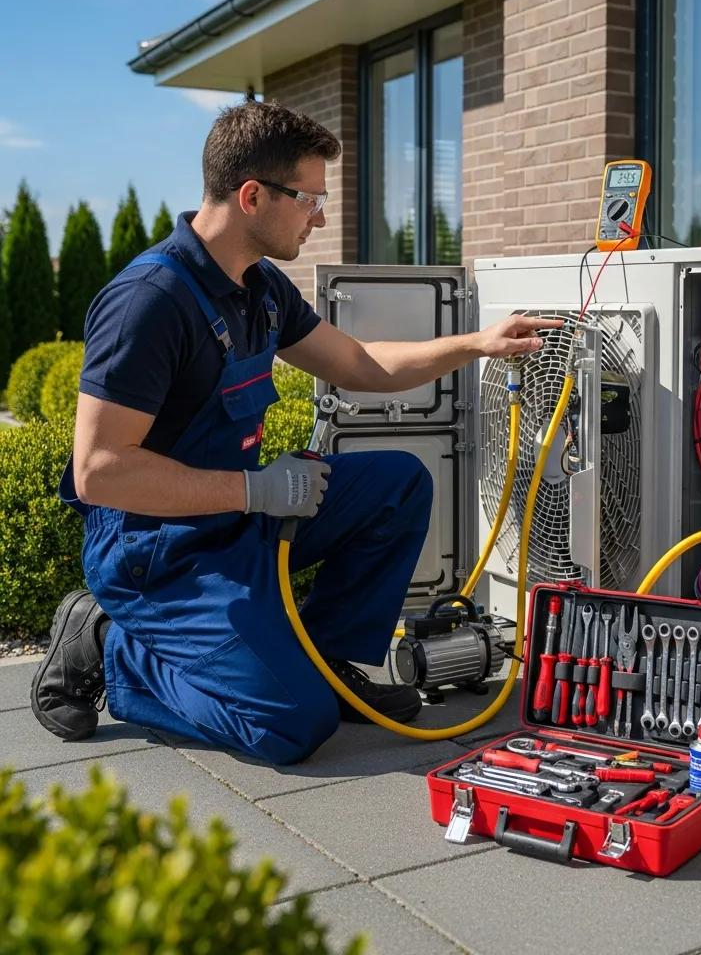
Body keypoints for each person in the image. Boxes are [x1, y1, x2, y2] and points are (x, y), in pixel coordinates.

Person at [30, 100, 558, 765]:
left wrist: (478, 344)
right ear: (253, 196)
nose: (322, 215)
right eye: (309, 197)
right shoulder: (150, 303)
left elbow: (358, 363)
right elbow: (100, 472)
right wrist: (256, 491)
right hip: (157, 553)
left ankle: (330, 660)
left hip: (239, 517)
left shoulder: (263, 290)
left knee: (397, 483)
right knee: (287, 725)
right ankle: (110, 642)